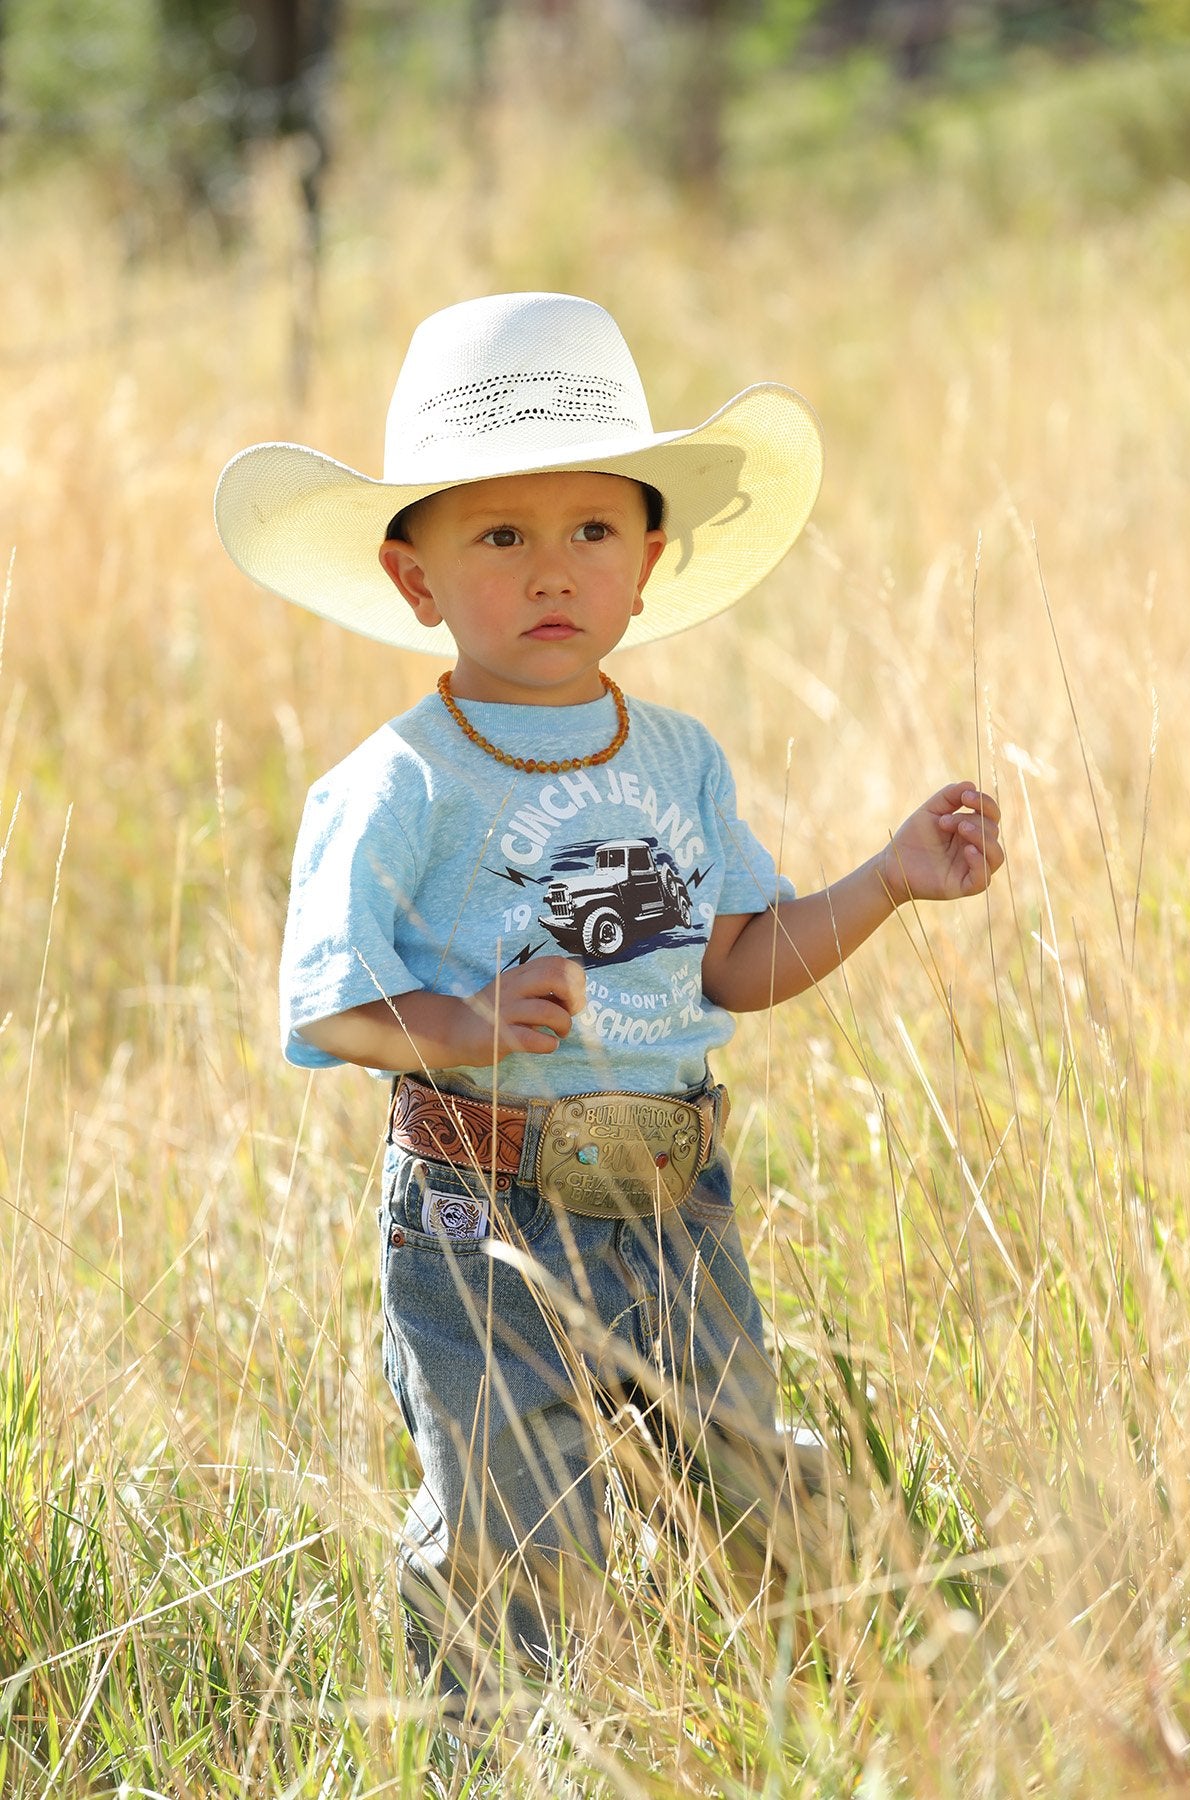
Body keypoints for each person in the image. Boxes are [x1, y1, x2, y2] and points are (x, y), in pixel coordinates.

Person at [214, 291, 1004, 1710]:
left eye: (590, 530)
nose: (549, 571)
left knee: (746, 1490)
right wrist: (461, 1026)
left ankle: (798, 1713)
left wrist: (883, 881)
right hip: (482, 1210)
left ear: (648, 562)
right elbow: (331, 1003)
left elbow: (735, 965)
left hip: (673, 1197)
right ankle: (499, 1751)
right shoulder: (399, 780)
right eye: (499, 536)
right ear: (416, 579)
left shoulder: (683, 758)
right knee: (519, 1524)